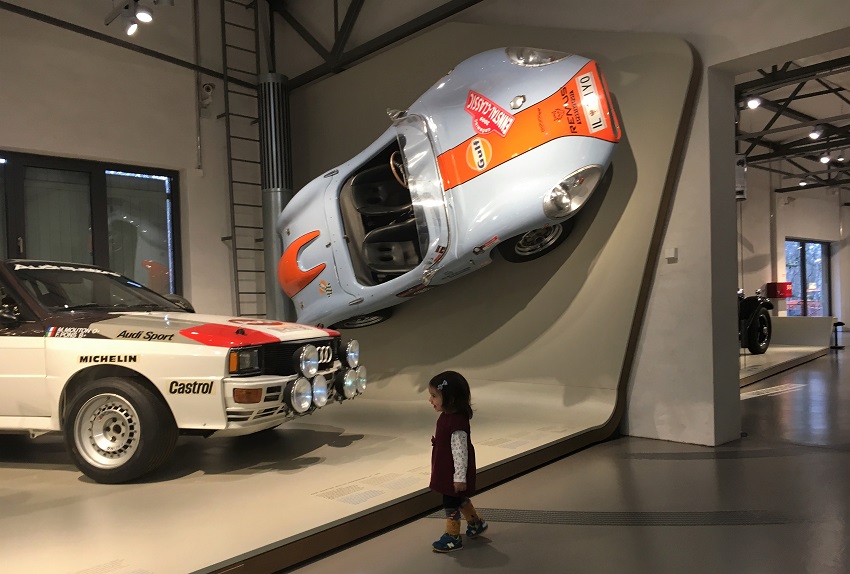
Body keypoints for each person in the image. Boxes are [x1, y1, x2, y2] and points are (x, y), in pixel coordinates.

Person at [427, 370, 488, 553]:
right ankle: (475, 522)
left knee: (450, 501)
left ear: (450, 398)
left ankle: (453, 536)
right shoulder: (448, 417)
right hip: (448, 468)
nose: (431, 400)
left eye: (434, 395)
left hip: (452, 471)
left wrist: (459, 477)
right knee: (458, 498)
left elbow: (460, 451)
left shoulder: (456, 423)